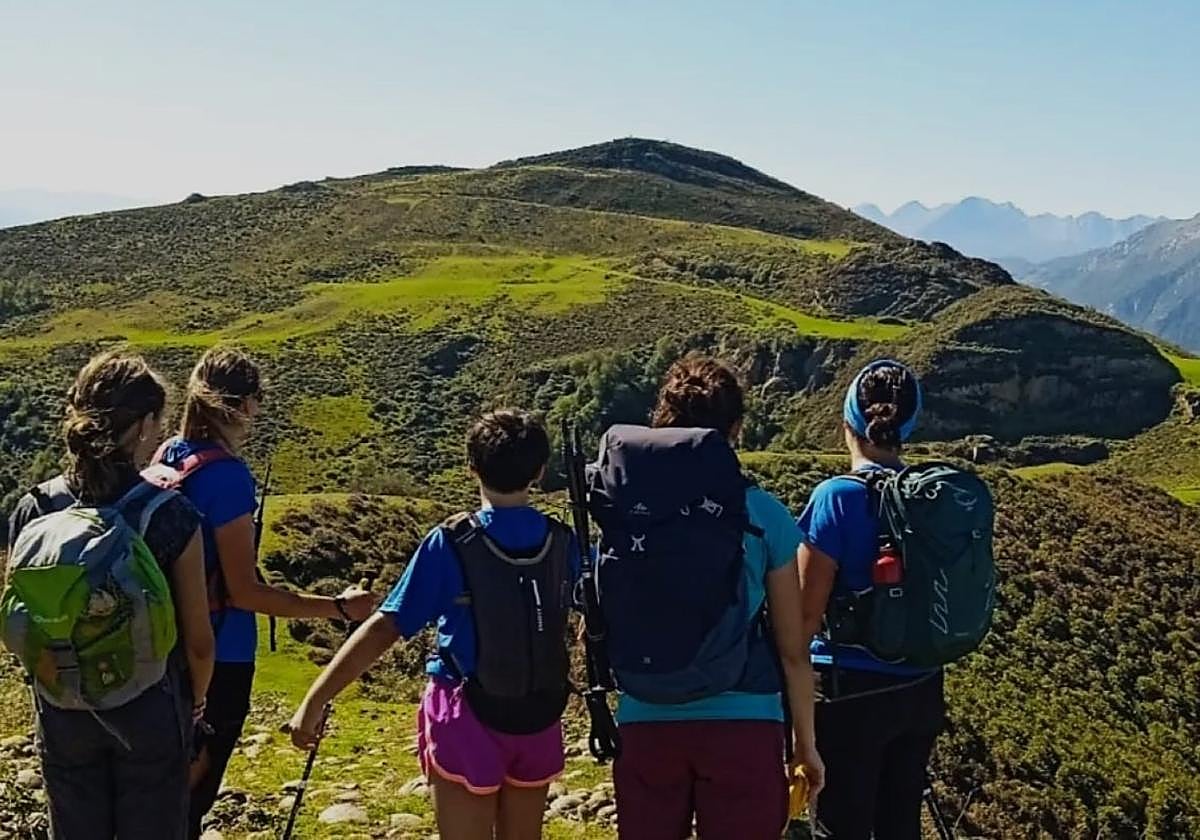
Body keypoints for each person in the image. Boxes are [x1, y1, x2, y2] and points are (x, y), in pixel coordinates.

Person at [289, 409, 577, 840]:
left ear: (471, 467)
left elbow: (386, 627)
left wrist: (315, 699)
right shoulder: (563, 541)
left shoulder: (451, 542)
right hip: (540, 712)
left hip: (466, 716)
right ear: (538, 471)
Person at [159, 346, 376, 839]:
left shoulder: (170, 454)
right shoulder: (228, 478)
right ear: (240, 405)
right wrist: (338, 608)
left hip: (165, 642)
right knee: (191, 797)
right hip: (221, 655)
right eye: (257, 400)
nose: (258, 412)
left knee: (162, 793)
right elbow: (244, 592)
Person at [610, 355, 824, 840]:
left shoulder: (625, 510)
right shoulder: (763, 513)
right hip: (744, 720)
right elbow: (793, 650)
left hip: (644, 714)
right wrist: (805, 745)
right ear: (736, 428)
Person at [4, 350, 215, 840]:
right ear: (143, 426)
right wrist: (195, 702)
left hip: (62, 705)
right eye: (157, 421)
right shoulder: (169, 514)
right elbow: (200, 643)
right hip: (151, 708)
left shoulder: (33, 510)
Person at [797, 359, 945, 840]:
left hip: (848, 691)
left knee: (841, 826)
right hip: (921, 685)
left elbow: (803, 618)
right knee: (900, 825)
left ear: (847, 423)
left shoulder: (835, 498)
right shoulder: (932, 496)